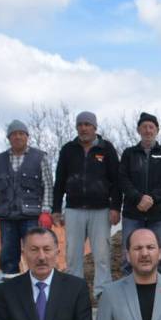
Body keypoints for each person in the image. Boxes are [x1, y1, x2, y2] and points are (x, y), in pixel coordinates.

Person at [52, 111, 122, 296]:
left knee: (102, 255)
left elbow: (116, 181)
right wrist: (56, 208)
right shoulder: (68, 149)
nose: (83, 128)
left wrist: (116, 207)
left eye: (87, 124)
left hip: (101, 209)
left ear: (95, 127)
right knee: (72, 255)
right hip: (74, 209)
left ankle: (102, 293)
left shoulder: (106, 149)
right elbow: (59, 181)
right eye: (80, 124)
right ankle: (74, 293)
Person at [0, 120, 54, 280]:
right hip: (7, 217)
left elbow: (48, 185)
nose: (17, 137)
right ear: (9, 138)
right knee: (8, 257)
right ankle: (11, 285)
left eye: (21, 134)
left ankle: (38, 285)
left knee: (36, 253)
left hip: (32, 217)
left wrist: (46, 211)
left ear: (27, 136)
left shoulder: (40, 157)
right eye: (14, 134)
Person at [118, 112, 161, 276]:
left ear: (157, 130)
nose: (148, 130)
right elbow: (123, 179)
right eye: (144, 127)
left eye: (151, 127)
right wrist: (139, 198)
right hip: (133, 213)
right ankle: (128, 286)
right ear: (139, 130)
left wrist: (152, 199)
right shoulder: (129, 153)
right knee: (129, 254)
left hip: (158, 214)